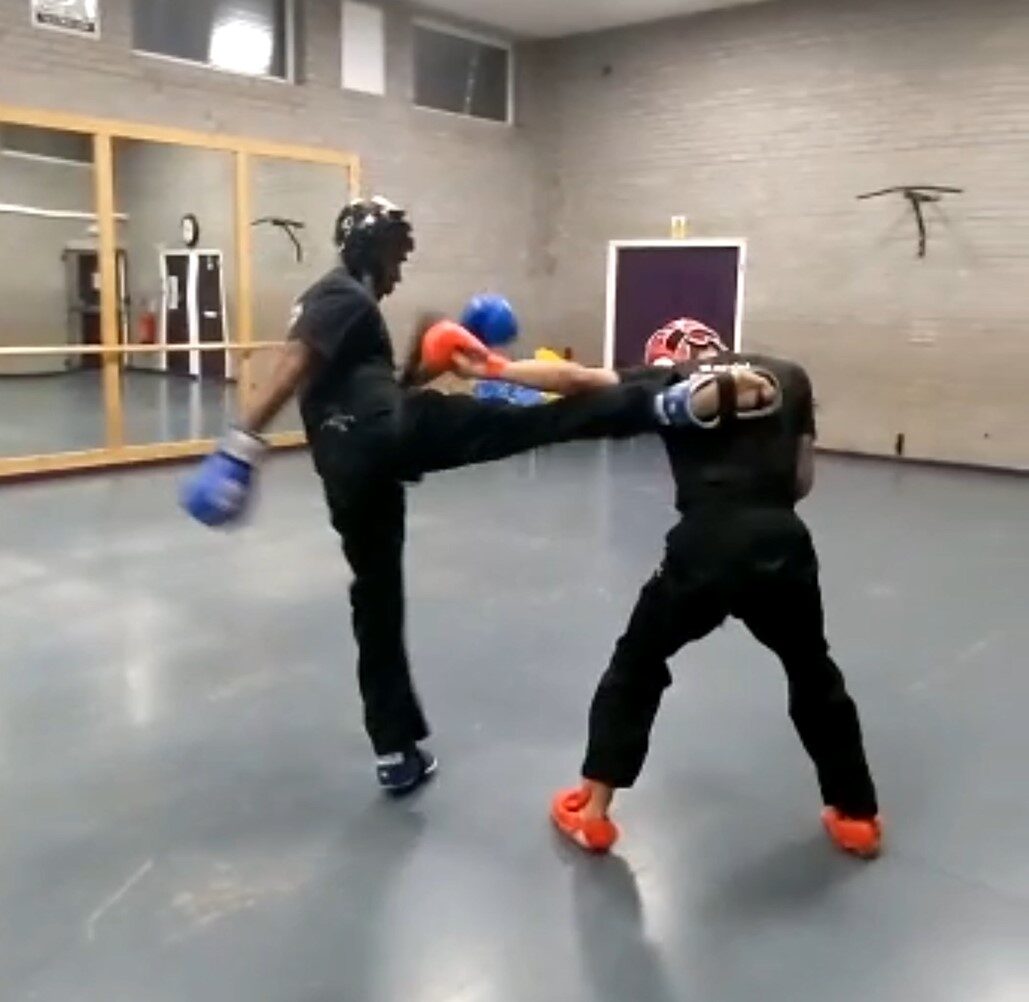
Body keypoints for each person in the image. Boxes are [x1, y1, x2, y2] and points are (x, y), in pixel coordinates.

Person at [180, 197, 774, 795]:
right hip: (384, 437)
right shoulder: (341, 294)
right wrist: (240, 444)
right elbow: (294, 364)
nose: (399, 271)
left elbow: (365, 389)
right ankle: (660, 403)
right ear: (372, 246)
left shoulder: (341, 305)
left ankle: (395, 749)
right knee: (536, 422)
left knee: (375, 603)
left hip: (348, 469)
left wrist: (424, 363)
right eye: (397, 256)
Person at [459, 316, 882, 858]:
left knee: (637, 663)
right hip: (783, 542)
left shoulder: (670, 379)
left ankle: (592, 813)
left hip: (703, 546)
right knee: (812, 669)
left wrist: (492, 366)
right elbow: (802, 481)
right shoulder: (790, 375)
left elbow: (577, 380)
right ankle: (857, 814)